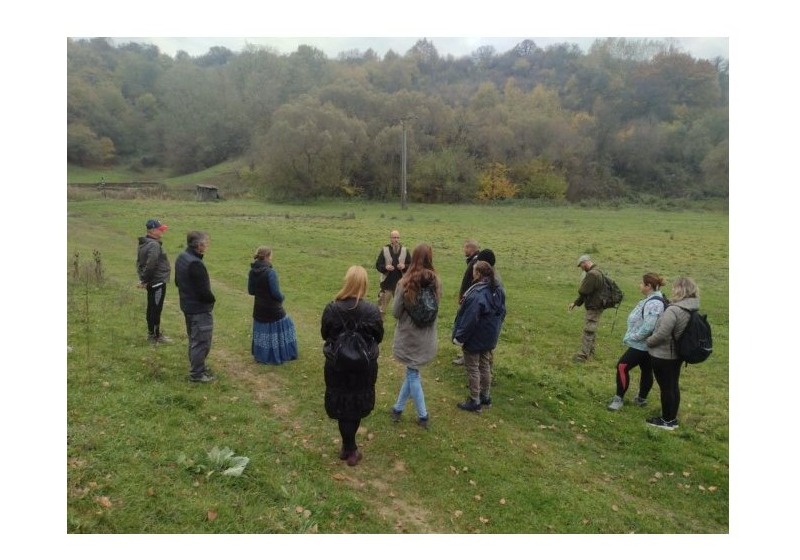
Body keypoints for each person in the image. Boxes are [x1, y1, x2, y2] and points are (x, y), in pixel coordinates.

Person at [321, 266, 384, 466]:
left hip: (338, 365)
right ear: (364, 285)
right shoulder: (372, 310)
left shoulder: (332, 308)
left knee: (343, 404)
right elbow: (379, 336)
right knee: (354, 406)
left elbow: (325, 333)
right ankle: (351, 449)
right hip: (362, 366)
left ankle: (347, 447)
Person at [389, 243, 442, 429]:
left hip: (409, 337)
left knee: (412, 374)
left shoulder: (404, 282)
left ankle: (423, 415)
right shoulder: (437, 282)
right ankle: (397, 408)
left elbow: (395, 313)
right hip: (427, 337)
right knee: (412, 372)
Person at [644, 276, 700, 430]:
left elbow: (662, 334)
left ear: (679, 290)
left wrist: (649, 341)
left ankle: (667, 420)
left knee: (666, 388)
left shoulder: (674, 310)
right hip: (677, 355)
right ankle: (671, 418)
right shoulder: (692, 308)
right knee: (673, 386)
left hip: (664, 355)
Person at [607, 273, 668, 411]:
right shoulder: (652, 299)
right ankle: (641, 399)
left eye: (642, 283)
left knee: (622, 366)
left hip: (642, 345)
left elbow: (648, 327)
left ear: (649, 286)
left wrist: (633, 337)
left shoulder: (654, 303)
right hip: (648, 345)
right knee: (646, 369)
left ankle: (618, 399)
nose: (639, 286)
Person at [453, 260, 506, 413]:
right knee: (485, 365)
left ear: (478, 274)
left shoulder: (477, 294)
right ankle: (486, 396)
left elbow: (470, 318)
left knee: (473, 368)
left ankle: (474, 400)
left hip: (475, 336)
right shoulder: (498, 290)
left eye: (474, 271)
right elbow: (502, 312)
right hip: (490, 336)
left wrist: (460, 337)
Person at [174, 231, 216, 383]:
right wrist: (212, 300)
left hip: (187, 305)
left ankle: (199, 367)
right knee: (201, 342)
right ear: (199, 246)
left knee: (194, 339)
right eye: (206, 243)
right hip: (199, 309)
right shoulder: (196, 264)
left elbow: (177, 282)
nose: (207, 245)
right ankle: (197, 374)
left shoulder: (181, 257)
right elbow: (204, 292)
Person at [248, 246, 299, 365]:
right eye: (271, 256)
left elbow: (251, 291)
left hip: (259, 307)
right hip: (273, 308)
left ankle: (262, 355)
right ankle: (281, 354)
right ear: (267, 257)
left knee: (263, 330)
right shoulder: (270, 272)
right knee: (288, 325)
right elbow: (275, 293)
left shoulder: (252, 271)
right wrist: (282, 297)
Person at [136, 218, 172, 344]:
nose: (162, 231)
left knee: (151, 308)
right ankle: (155, 336)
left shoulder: (144, 243)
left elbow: (139, 263)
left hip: (152, 282)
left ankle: (152, 334)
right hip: (157, 282)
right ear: (152, 230)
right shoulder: (154, 245)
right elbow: (150, 264)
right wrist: (144, 279)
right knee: (156, 309)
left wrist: (143, 279)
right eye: (159, 229)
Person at [568, 254, 605, 363]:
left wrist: (582, 285)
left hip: (594, 306)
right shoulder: (598, 271)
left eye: (581, 265)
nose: (581, 268)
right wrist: (575, 303)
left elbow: (584, 291)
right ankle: (591, 353)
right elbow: (586, 294)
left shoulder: (592, 274)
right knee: (591, 329)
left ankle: (583, 356)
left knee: (588, 330)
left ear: (585, 263)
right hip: (597, 305)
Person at [452, 239, 481, 365]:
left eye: (465, 248)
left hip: (470, 300)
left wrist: (464, 298)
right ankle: (466, 354)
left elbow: (471, 283)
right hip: (469, 298)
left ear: (471, 249)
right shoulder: (474, 261)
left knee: (466, 326)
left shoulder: (475, 262)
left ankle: (467, 357)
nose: (464, 250)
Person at [375, 230, 411, 316]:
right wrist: (385, 268)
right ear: (390, 238)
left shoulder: (405, 250)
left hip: (401, 285)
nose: (396, 239)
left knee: (402, 310)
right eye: (394, 237)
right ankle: (379, 326)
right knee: (381, 310)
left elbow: (411, 265)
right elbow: (378, 265)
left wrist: (404, 266)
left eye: (398, 237)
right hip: (386, 285)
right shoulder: (384, 250)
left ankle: (400, 328)